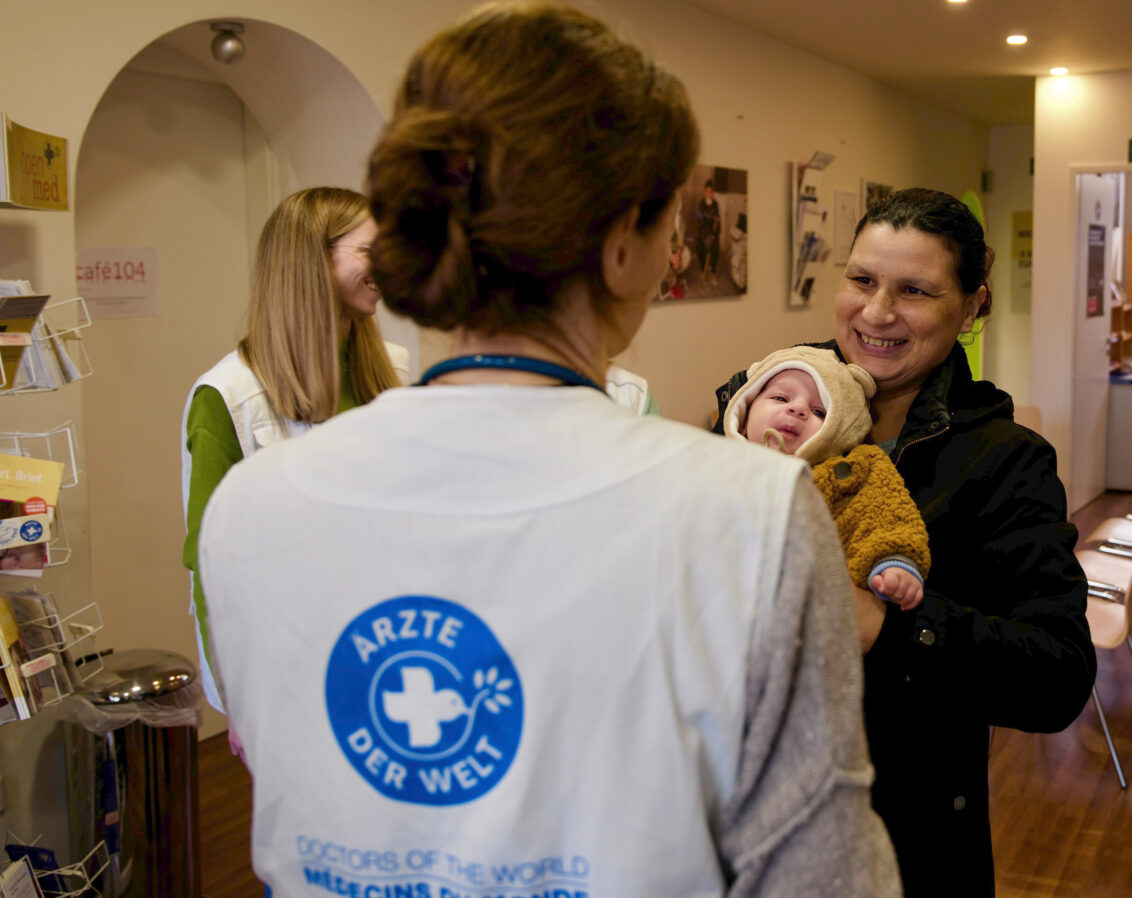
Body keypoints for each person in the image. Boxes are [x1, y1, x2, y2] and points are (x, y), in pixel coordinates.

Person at [197, 5, 900, 896]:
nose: (676, 247)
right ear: (619, 247)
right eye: (666, 221)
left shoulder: (254, 508)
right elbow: (821, 877)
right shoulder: (749, 514)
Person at [712, 187, 1095, 896]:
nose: (877, 313)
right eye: (862, 280)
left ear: (973, 305)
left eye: (914, 291)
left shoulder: (1003, 461)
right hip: (739, 816)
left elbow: (1057, 679)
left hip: (903, 835)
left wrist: (886, 626)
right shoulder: (761, 401)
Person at [181, 186, 409, 746]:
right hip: (288, 669)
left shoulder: (395, 370)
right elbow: (212, 570)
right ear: (313, 261)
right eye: (370, 250)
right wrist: (238, 699)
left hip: (391, 649)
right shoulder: (228, 397)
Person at [721, 345, 929, 610]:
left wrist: (894, 562)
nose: (797, 409)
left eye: (820, 412)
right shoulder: (719, 462)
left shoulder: (849, 473)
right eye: (781, 399)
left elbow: (886, 516)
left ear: (840, 432)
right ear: (746, 409)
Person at [695, 179, 722, 284]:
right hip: (703, 233)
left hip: (713, 233)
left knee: (716, 246)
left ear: (713, 193)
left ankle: (714, 271)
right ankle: (703, 269)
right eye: (707, 191)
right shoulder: (701, 205)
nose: (709, 194)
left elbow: (718, 222)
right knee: (698, 245)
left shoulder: (716, 205)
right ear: (704, 192)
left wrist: (714, 234)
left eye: (711, 192)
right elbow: (699, 224)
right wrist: (706, 237)